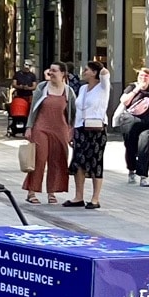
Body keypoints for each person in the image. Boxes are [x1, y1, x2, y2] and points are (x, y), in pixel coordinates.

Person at [23, 63, 76, 205]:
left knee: (57, 160)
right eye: (50, 70)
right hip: (41, 128)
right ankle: (31, 192)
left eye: (54, 71)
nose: (51, 73)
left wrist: (72, 130)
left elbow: (73, 113)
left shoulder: (68, 91)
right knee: (39, 160)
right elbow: (33, 109)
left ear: (63, 73)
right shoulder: (42, 88)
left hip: (60, 129)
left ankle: (52, 192)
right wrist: (29, 127)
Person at [67, 62, 111, 209]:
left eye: (87, 70)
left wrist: (99, 64)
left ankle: (95, 198)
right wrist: (72, 129)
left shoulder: (103, 86)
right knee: (78, 161)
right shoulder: (83, 88)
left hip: (97, 128)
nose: (83, 72)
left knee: (95, 162)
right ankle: (78, 196)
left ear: (94, 72)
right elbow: (78, 110)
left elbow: (105, 73)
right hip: (81, 128)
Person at [114, 66, 149, 187]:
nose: (143, 78)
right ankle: (131, 170)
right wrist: (136, 89)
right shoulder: (131, 87)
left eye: (146, 76)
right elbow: (124, 101)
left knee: (145, 148)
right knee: (130, 147)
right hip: (130, 122)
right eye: (141, 76)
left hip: (147, 123)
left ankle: (143, 176)